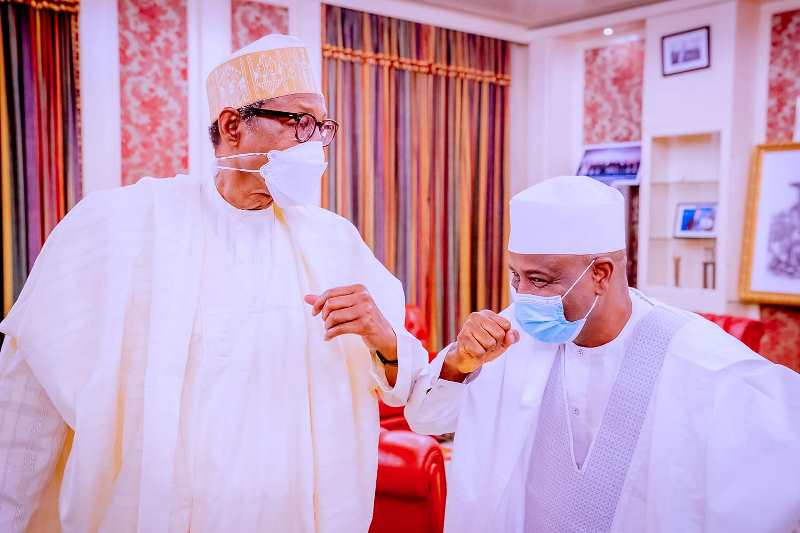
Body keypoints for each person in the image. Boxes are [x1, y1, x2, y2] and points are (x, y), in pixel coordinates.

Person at [0, 34, 428, 532]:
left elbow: (410, 387)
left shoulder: (333, 241)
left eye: (323, 128)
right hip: (162, 512)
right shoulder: (124, 225)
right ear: (232, 125)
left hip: (292, 510)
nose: (314, 145)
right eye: (300, 123)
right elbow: (31, 385)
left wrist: (385, 338)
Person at [405, 175, 800, 532]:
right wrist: (460, 363)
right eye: (516, 276)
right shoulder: (512, 338)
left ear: (601, 274)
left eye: (539, 280)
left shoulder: (698, 360)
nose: (523, 295)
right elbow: (425, 418)